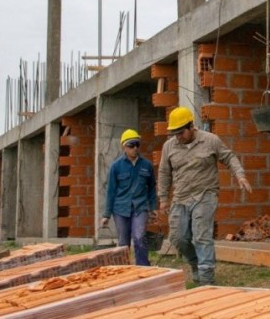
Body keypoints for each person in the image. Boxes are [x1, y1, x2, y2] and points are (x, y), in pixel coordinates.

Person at [157, 106, 252, 285]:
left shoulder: (210, 140)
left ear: (191, 126)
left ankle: (206, 277)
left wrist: (240, 175)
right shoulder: (168, 147)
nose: (178, 136)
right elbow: (164, 173)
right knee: (177, 238)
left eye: (181, 132)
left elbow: (229, 157)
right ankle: (195, 263)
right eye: (174, 133)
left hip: (205, 194)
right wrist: (163, 198)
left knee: (201, 235)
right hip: (180, 197)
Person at [100, 129, 157, 266]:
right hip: (120, 209)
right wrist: (106, 215)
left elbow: (152, 188)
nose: (135, 148)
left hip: (140, 207)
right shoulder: (116, 166)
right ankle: (124, 269)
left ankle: (143, 268)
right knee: (123, 242)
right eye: (131, 145)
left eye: (137, 144)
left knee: (139, 237)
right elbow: (111, 191)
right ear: (124, 146)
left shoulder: (146, 165)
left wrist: (153, 208)